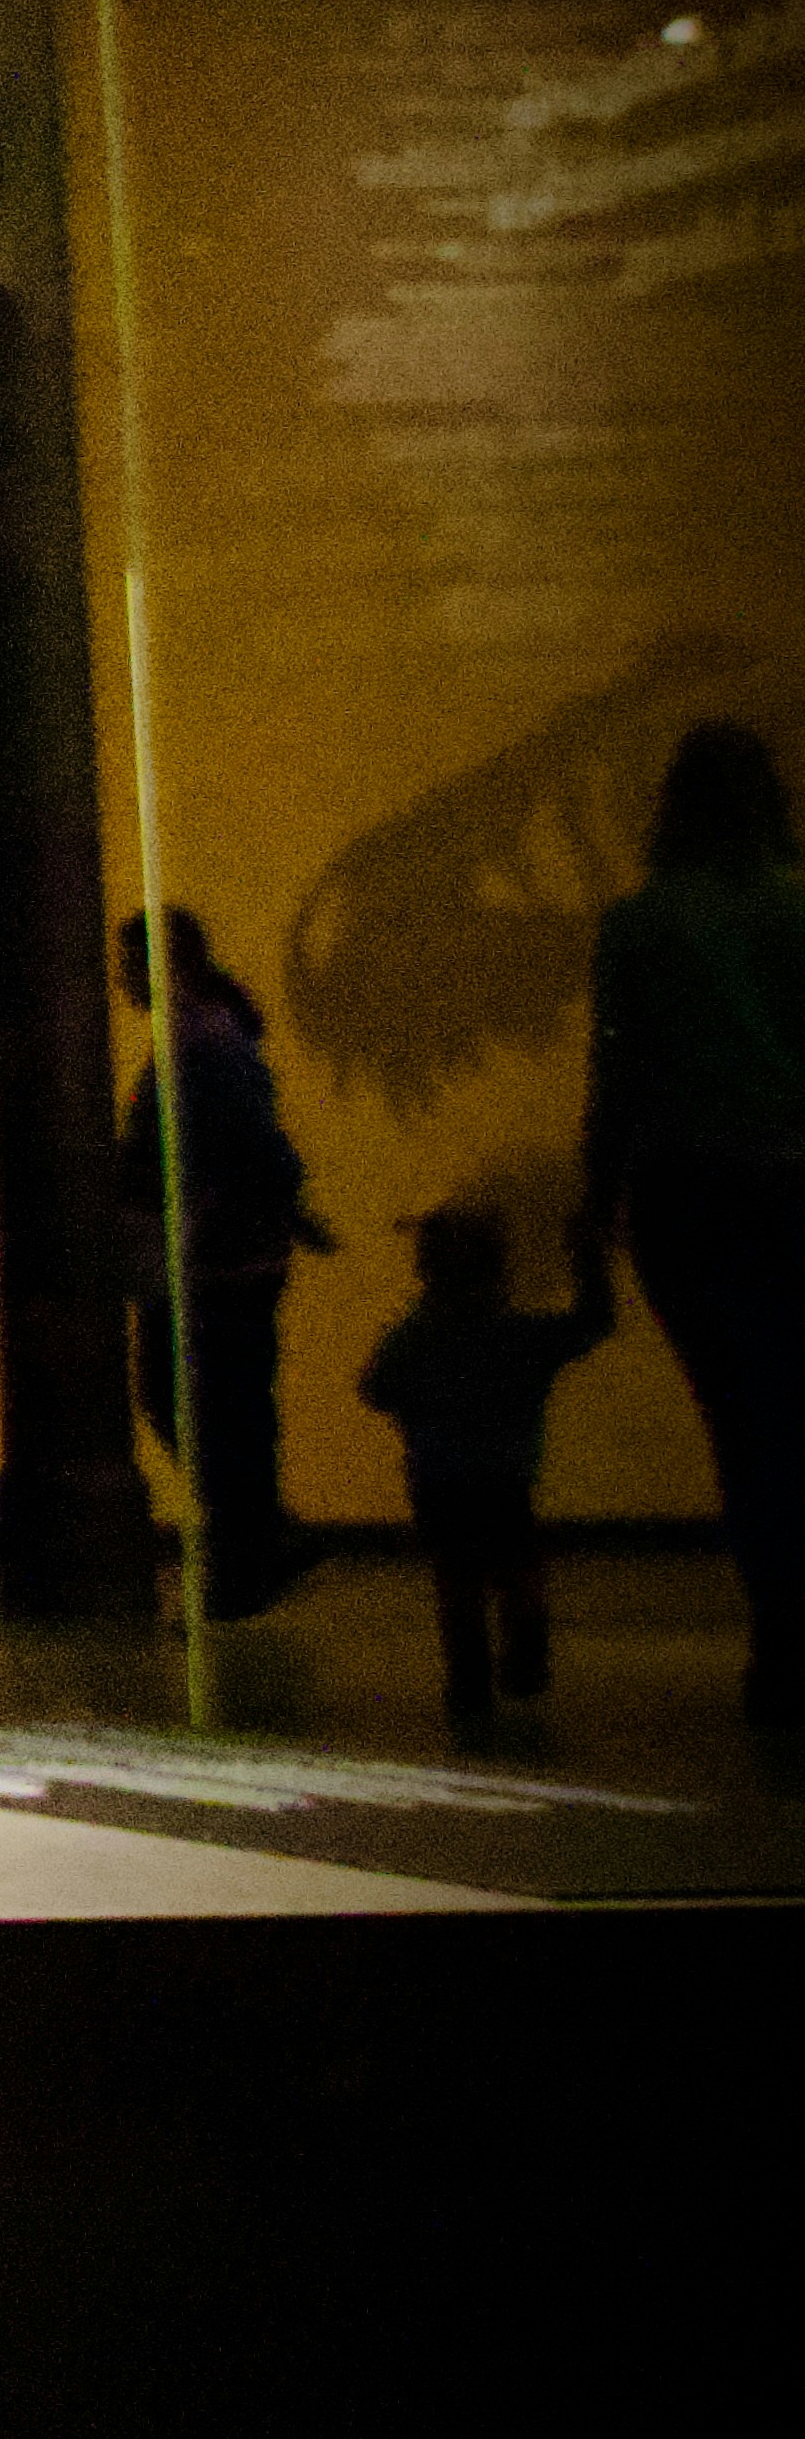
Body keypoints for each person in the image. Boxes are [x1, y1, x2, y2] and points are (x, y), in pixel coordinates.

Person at [576, 719, 805, 1726]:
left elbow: (617, 1081)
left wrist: (595, 1205)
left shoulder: (637, 923)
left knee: (746, 1422)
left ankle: (782, 1638)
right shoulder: (799, 909)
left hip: (686, 1192)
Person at [117, 903, 328, 1620]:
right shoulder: (211, 1033)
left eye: (129, 964)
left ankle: (253, 1547)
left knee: (197, 1403)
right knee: (226, 1407)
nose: (122, 982)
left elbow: (247, 1142)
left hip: (213, 1255)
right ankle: (256, 1540)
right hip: (232, 1250)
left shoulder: (197, 1040)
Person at [356, 1203, 612, 1735]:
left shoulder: (412, 1338)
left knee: (457, 1578)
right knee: (518, 1567)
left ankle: (468, 1679)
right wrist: (588, 1258)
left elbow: (375, 1390)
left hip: (438, 1479)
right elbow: (592, 1324)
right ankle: (525, 1653)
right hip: (506, 1477)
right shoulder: (517, 1336)